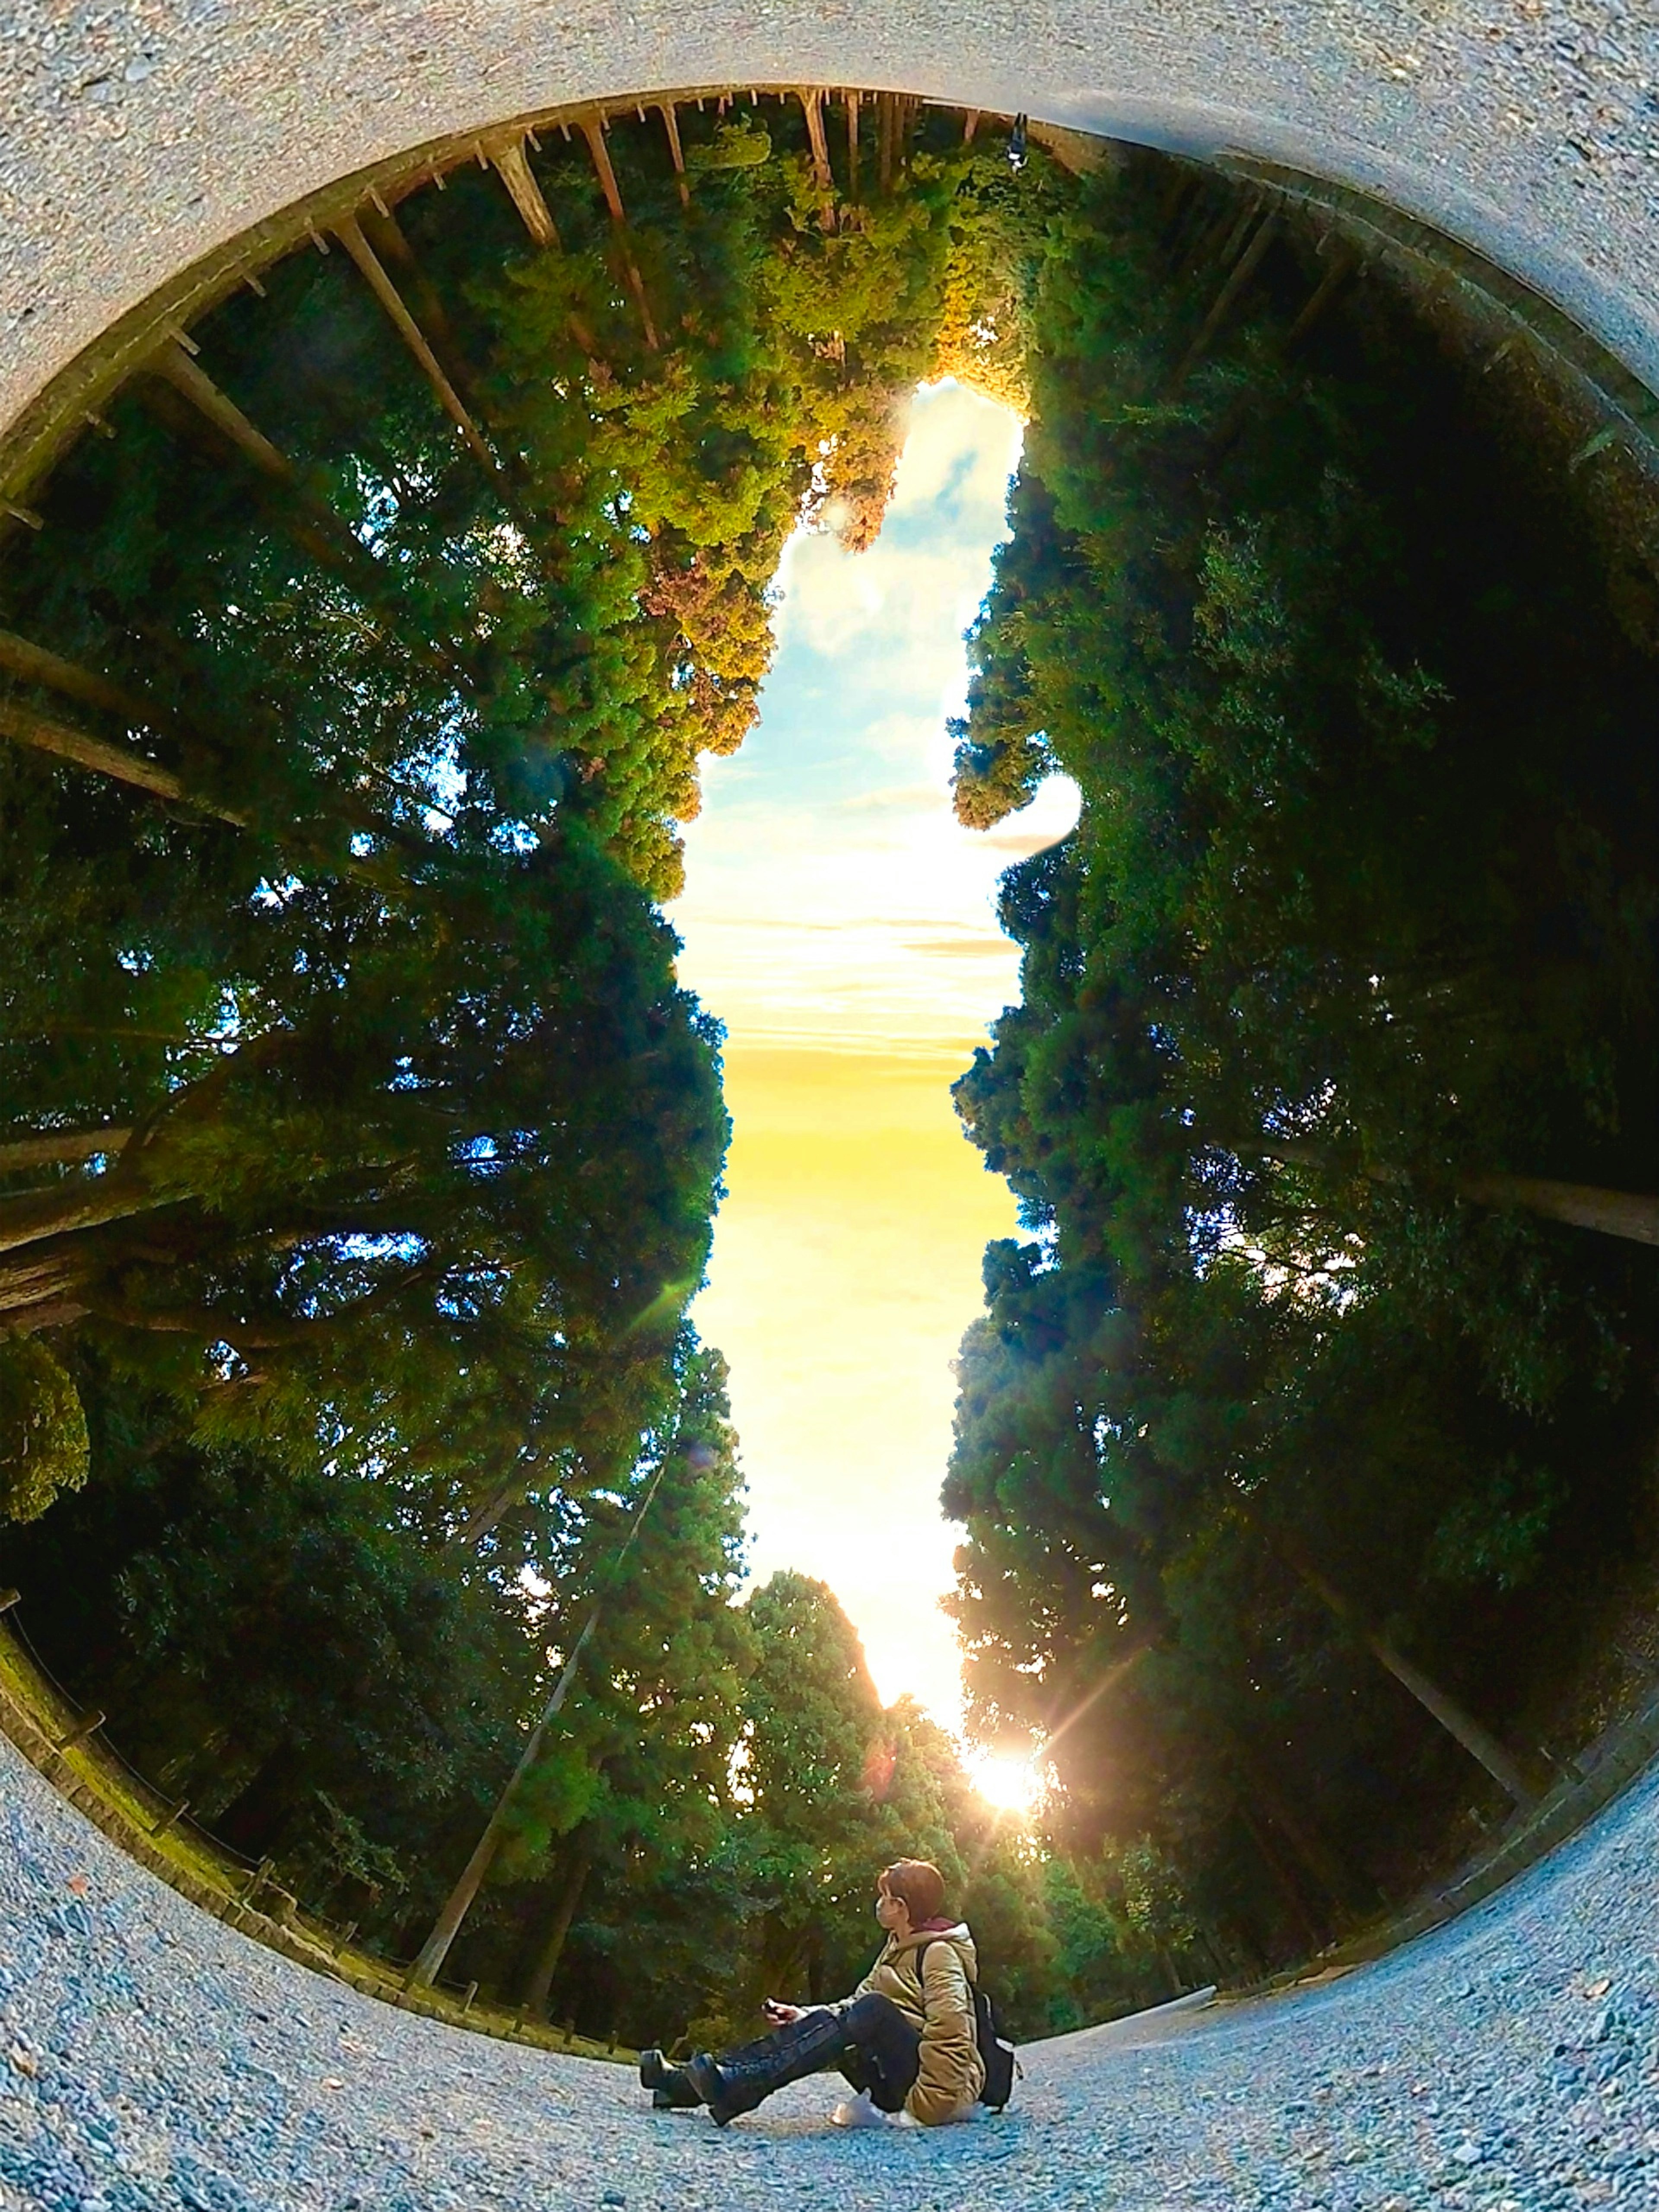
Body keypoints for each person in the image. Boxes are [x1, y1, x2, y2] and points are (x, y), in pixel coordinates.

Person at [638, 1858, 985, 2128]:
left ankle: (733, 2087)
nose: (879, 1904)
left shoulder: (940, 1953)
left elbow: (953, 2037)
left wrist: (922, 2110)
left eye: (885, 1898)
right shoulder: (897, 1946)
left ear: (901, 1908)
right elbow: (853, 2005)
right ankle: (682, 2086)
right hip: (892, 2071)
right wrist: (803, 2015)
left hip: (936, 2090)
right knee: (857, 2013)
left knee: (874, 2009)